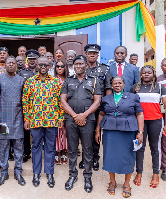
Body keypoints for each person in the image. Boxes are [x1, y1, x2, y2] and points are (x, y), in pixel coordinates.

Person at [95, 76, 144, 198]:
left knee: (128, 156)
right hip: (110, 131)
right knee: (110, 155)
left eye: (120, 83)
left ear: (124, 84)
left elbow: (140, 114)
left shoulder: (133, 97)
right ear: (111, 85)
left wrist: (140, 132)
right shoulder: (106, 99)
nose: (117, 85)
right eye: (115, 83)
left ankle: (127, 183)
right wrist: (97, 130)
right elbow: (101, 114)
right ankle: (112, 181)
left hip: (128, 131)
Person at [61, 55, 101, 193]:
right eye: (76, 64)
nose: (78, 66)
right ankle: (72, 175)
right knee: (72, 148)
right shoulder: (68, 80)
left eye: (80, 64)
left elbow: (97, 101)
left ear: (85, 65)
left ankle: (88, 177)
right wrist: (75, 116)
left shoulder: (94, 81)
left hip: (88, 119)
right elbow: (63, 101)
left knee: (87, 149)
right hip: (71, 119)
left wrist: (84, 115)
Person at [22, 56, 64, 188]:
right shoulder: (30, 82)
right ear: (36, 66)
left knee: (50, 147)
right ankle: (36, 173)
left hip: (52, 121)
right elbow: (25, 102)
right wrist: (27, 119)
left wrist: (60, 118)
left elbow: (60, 102)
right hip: (35, 120)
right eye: (41, 65)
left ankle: (50, 173)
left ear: (50, 66)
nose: (43, 67)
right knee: (36, 147)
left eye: (46, 65)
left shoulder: (56, 82)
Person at [130, 65, 166, 188]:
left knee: (155, 148)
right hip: (139, 122)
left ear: (153, 74)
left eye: (149, 72)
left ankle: (155, 174)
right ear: (141, 75)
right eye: (144, 73)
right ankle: (139, 172)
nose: (146, 74)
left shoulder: (159, 87)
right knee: (139, 147)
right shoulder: (134, 88)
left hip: (156, 121)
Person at [0, 56, 26, 186]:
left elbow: (25, 101)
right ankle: (4, 172)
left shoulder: (21, 80)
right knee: (3, 147)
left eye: (13, 63)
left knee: (18, 146)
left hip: (18, 118)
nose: (11, 64)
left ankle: (18, 172)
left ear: (17, 65)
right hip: (3, 118)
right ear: (4, 64)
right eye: (9, 63)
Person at [79, 44, 112, 171]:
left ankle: (95, 158)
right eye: (89, 53)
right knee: (84, 133)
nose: (92, 55)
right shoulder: (82, 69)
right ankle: (85, 158)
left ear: (97, 55)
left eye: (94, 53)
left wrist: (107, 105)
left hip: (99, 106)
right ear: (86, 55)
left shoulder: (104, 69)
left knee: (96, 133)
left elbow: (108, 87)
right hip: (85, 106)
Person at [54, 60, 69, 165]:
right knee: (56, 131)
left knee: (66, 131)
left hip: (67, 108)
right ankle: (55, 152)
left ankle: (64, 152)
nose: (59, 68)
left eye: (62, 66)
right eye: (57, 66)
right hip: (55, 109)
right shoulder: (52, 80)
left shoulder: (69, 80)